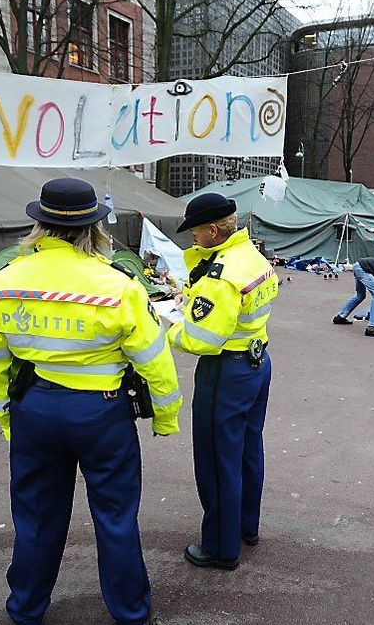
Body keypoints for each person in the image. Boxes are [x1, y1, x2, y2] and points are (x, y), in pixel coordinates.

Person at [0, 178, 182, 625]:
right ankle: (130, 611)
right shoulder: (119, 286)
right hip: (102, 413)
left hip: (35, 412)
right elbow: (154, 360)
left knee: (34, 517)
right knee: (115, 517)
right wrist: (165, 414)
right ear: (95, 228)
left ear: (39, 225)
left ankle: (26, 608)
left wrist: (4, 415)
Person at [165, 192, 278, 571]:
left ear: (213, 230)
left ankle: (219, 545)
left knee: (216, 460)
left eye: (195, 232)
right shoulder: (252, 256)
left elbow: (201, 340)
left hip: (225, 371)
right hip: (256, 360)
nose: (193, 239)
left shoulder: (220, 275)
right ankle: (246, 526)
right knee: (247, 450)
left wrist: (169, 328)